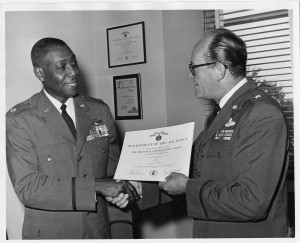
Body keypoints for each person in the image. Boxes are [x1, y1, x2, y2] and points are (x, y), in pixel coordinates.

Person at [159, 28, 290, 237]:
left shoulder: (261, 113)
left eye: (193, 67)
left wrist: (187, 188)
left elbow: (251, 201)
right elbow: (200, 173)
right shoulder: (222, 113)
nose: (189, 73)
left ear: (219, 70)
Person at [6, 37, 140, 239]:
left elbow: (115, 177)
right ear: (40, 73)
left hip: (99, 232)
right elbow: (29, 188)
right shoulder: (21, 120)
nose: (73, 72)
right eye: (62, 67)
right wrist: (96, 186)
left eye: (74, 63)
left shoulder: (99, 111)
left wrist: (122, 227)